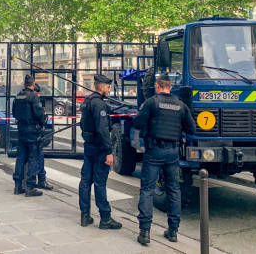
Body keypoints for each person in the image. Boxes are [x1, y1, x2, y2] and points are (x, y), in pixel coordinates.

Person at [133, 75, 196, 245]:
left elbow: (137, 123)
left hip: (154, 151)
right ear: (170, 86)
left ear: (158, 86)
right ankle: (173, 231)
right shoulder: (181, 105)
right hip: (173, 152)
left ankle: (145, 232)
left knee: (147, 189)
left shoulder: (152, 102)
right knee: (174, 190)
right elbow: (192, 128)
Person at [78, 74, 122, 230]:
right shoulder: (99, 104)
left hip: (89, 146)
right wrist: (109, 152)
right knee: (100, 183)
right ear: (102, 86)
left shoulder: (88, 101)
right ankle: (105, 218)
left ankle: (85, 215)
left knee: (85, 182)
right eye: (108, 87)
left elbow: (83, 124)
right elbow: (103, 130)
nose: (109, 89)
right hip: (99, 148)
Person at [12, 75, 46, 197]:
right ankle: (30, 187)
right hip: (32, 131)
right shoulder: (33, 97)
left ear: (23, 84)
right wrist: (43, 122)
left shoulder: (18, 96)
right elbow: (39, 114)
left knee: (20, 158)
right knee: (33, 158)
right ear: (33, 84)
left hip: (21, 129)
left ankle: (18, 185)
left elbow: (14, 113)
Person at [34, 83, 54, 191]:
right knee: (38, 156)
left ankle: (23, 183)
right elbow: (41, 118)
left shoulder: (20, 98)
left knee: (25, 158)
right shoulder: (35, 101)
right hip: (35, 133)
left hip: (25, 133)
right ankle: (41, 180)